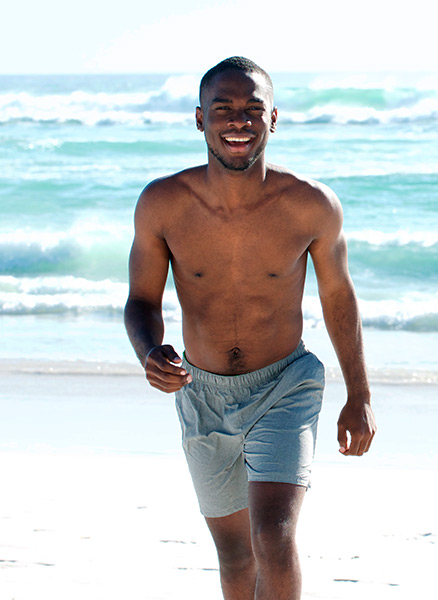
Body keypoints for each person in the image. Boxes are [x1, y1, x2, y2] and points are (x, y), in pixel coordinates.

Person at [124, 56, 376, 600]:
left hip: (286, 383)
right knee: (236, 554)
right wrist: (149, 351)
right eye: (224, 110)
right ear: (199, 120)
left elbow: (338, 295)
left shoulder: (311, 205)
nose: (239, 121)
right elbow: (142, 298)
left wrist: (359, 394)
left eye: (252, 110)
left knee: (273, 535)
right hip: (202, 391)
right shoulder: (163, 204)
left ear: (274, 119)